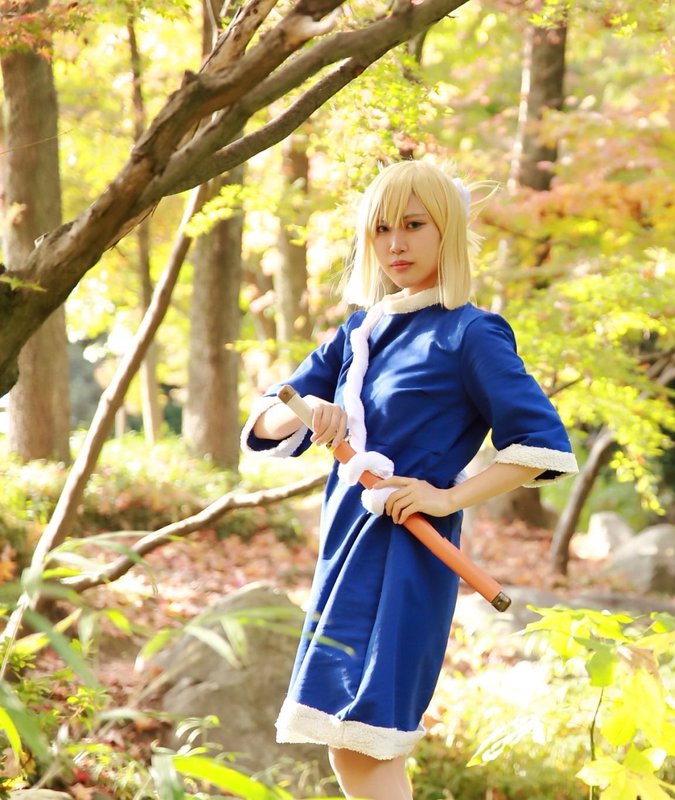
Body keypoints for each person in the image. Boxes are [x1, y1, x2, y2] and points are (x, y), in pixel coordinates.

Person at [241, 159, 578, 800]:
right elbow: (267, 419)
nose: (395, 244)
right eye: (381, 229)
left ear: (447, 229)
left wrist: (447, 496)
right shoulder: (359, 330)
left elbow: (541, 447)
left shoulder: (471, 333)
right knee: (348, 745)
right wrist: (311, 409)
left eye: (415, 225)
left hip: (409, 552)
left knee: (368, 739)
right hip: (344, 547)